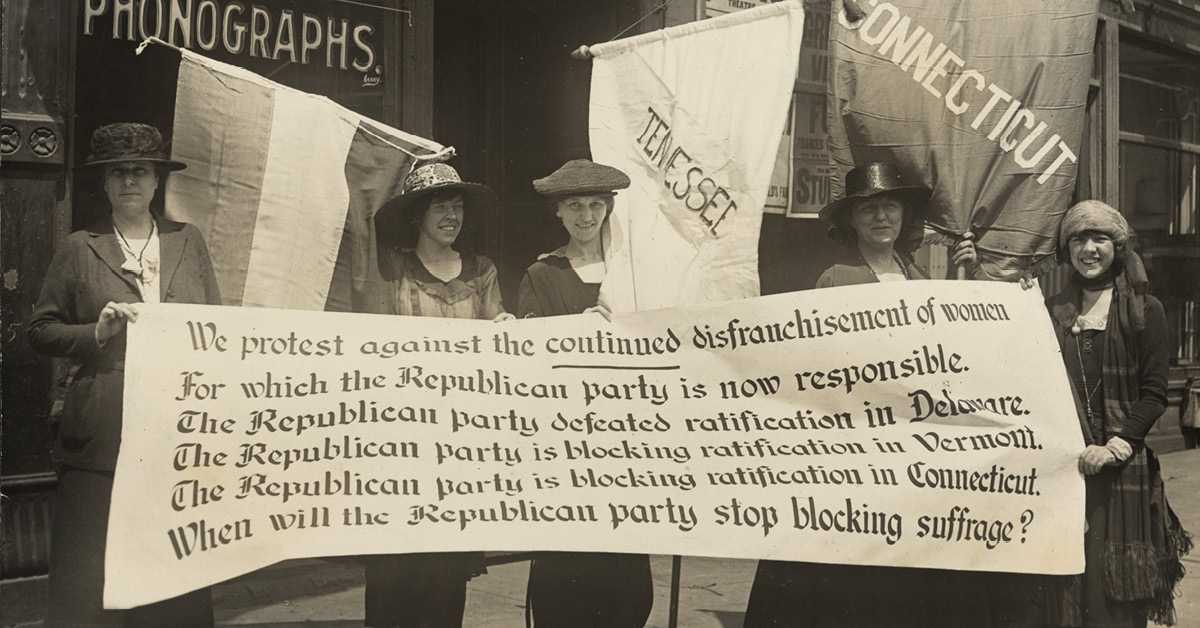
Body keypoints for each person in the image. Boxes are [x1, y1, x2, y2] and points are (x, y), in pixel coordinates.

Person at [743, 162, 1036, 628]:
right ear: (853, 220)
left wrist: (968, 282)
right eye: (870, 209)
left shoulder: (920, 279)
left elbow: (951, 354)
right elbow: (814, 369)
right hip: (857, 447)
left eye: (890, 207)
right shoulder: (835, 279)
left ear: (903, 218)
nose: (882, 217)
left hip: (911, 448)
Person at [27, 122, 221, 627]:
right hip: (101, 431)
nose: (130, 181)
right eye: (119, 173)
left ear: (157, 182)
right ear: (106, 184)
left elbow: (218, 329)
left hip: (178, 430)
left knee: (174, 564)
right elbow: (40, 332)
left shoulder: (188, 242)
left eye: (141, 171)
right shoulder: (79, 247)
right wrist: (96, 331)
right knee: (90, 570)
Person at [362, 161, 513, 628]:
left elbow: (495, 336)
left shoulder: (482, 272)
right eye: (441, 207)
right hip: (402, 441)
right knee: (395, 569)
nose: (452, 216)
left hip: (459, 444)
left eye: (458, 207)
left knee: (445, 576)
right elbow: (372, 347)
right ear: (419, 215)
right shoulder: (393, 271)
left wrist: (505, 331)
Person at [517, 159, 654, 628]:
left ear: (610, 208)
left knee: (628, 589)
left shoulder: (635, 274)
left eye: (597, 204)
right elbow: (531, 367)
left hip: (627, 449)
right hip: (568, 451)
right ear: (557, 210)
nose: (586, 215)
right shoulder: (543, 274)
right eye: (574, 205)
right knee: (564, 585)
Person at [1040, 200, 1190, 627]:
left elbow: (1154, 393)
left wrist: (1115, 447)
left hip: (1121, 471)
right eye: (1078, 238)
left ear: (1118, 247)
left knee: (1114, 602)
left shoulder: (1146, 311)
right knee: (1064, 593)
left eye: (1099, 238)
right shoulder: (1051, 313)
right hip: (1066, 473)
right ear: (1067, 248)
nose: (1089, 249)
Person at [1180, 376, 1199, 449]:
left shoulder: (1189, 393)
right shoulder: (1188, 393)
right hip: (1189, 422)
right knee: (1190, 446)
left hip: (1191, 422)